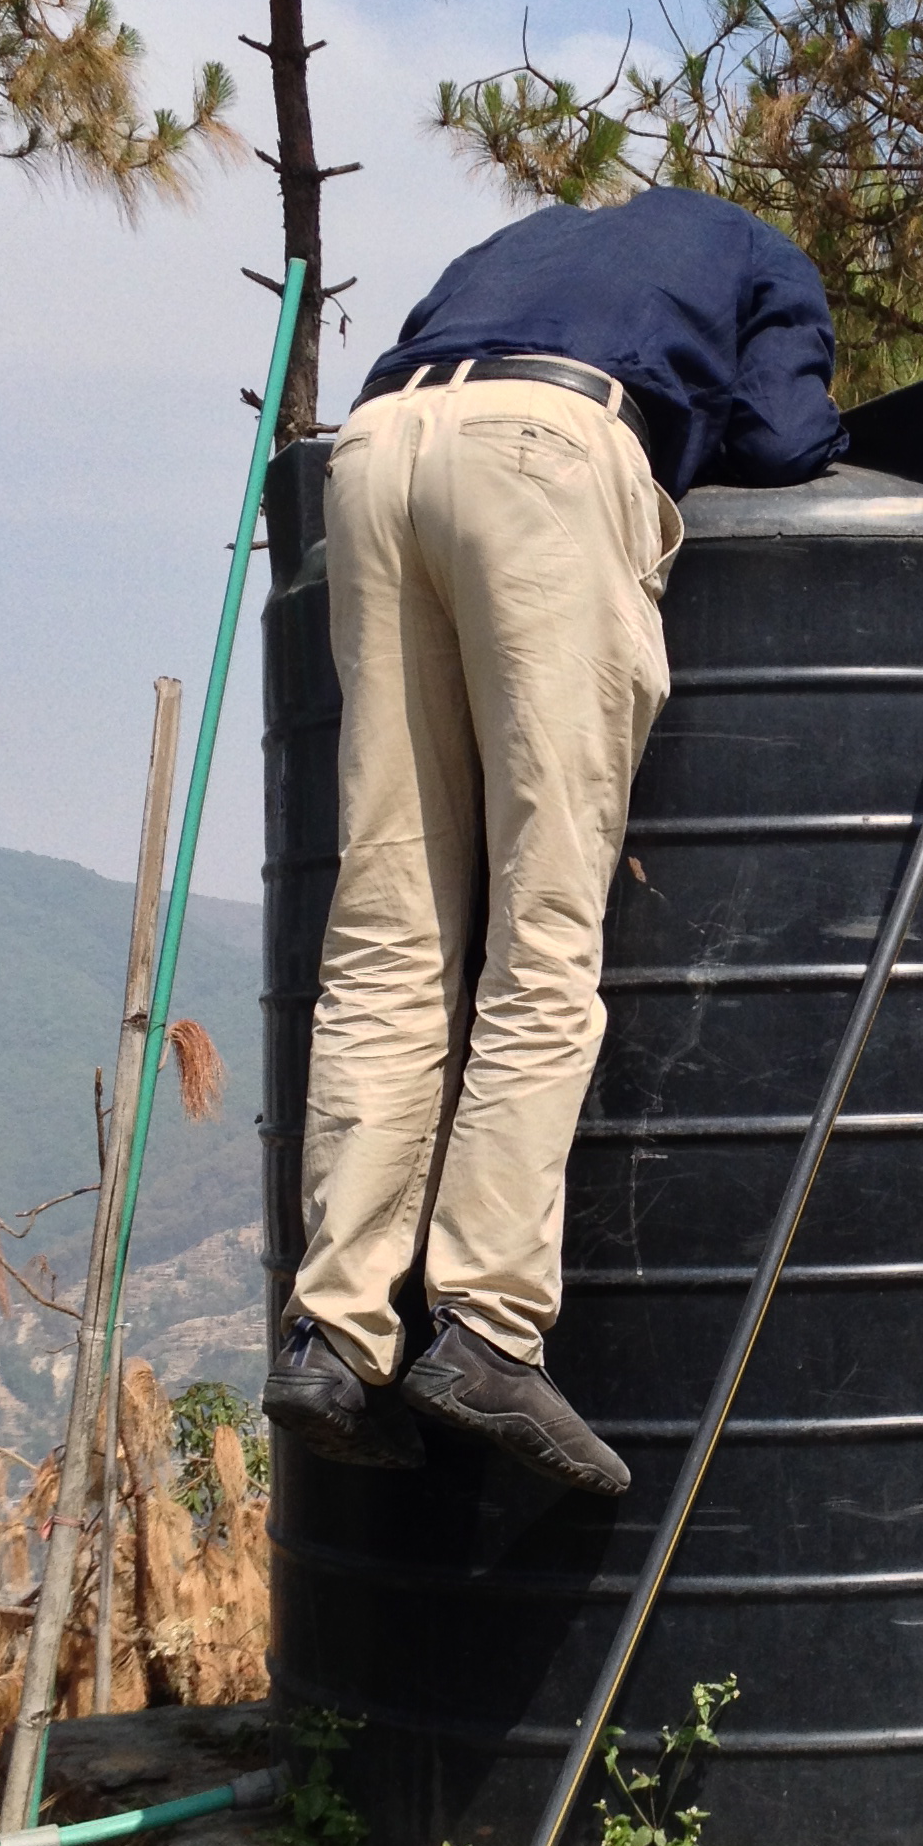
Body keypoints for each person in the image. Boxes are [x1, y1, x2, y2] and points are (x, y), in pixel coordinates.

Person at [262, 188, 846, 1497]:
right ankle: (484, 1329)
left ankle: (333, 1328)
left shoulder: (519, 242)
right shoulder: (760, 251)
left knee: (387, 927)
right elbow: (786, 433)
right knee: (542, 932)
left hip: (374, 452)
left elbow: (418, 340)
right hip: (545, 452)